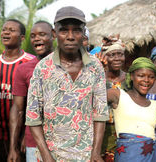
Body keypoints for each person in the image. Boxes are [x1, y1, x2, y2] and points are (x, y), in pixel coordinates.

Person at [25, 6, 109, 161]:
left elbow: (100, 113)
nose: (70, 36)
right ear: (54, 33)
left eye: (76, 30)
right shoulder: (42, 68)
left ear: (84, 33)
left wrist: (96, 152)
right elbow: (33, 117)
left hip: (86, 156)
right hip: (52, 155)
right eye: (64, 30)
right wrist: (46, 156)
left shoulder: (95, 66)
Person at [0, 19, 35, 162]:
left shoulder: (30, 63)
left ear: (22, 38)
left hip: (22, 136)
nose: (6, 32)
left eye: (12, 30)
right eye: (4, 29)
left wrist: (26, 135)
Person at [8, 20, 54, 162]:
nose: (37, 38)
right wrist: (13, 147)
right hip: (34, 143)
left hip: (65, 142)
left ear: (53, 35)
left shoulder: (67, 65)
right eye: (33, 36)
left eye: (42, 34)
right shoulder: (24, 69)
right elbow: (18, 109)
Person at [100, 43, 126, 162]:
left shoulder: (130, 79)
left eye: (120, 54)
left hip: (124, 132)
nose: (117, 58)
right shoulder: (99, 78)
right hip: (102, 132)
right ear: (105, 58)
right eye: (112, 55)